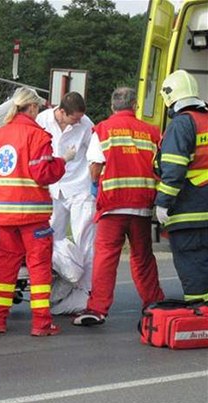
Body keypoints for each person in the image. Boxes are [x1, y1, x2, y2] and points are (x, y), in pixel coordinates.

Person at [0, 87, 75, 336]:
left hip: (3, 216)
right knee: (39, 269)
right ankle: (41, 323)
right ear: (32, 108)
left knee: (5, 270)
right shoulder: (37, 136)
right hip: (32, 216)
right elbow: (43, 173)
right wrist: (63, 161)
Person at [73, 87, 165, 326]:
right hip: (142, 206)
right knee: (143, 257)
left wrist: (99, 185)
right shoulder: (152, 132)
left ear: (112, 106)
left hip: (112, 206)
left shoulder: (103, 130)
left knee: (105, 258)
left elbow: (95, 168)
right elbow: (161, 167)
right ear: (134, 105)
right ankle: (153, 302)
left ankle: (98, 309)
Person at [36, 92, 96, 315]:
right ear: (61, 112)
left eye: (80, 118)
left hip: (80, 187)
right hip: (53, 187)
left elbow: (95, 154)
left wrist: (94, 184)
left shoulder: (86, 124)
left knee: (85, 241)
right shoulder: (42, 120)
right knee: (51, 241)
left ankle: (84, 292)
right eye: (74, 118)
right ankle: (55, 289)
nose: (78, 121)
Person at [155, 70, 208, 302]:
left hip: (190, 211)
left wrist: (162, 204)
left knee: (192, 264)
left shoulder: (182, 124)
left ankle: (200, 317)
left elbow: (174, 169)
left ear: (169, 97)